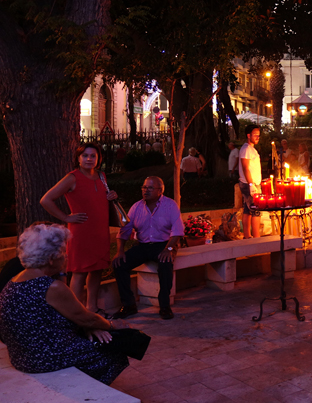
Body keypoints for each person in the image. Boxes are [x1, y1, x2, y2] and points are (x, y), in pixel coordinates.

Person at [0, 223, 131, 384]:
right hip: (44, 359)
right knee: (116, 344)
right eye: (63, 252)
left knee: (96, 334)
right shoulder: (51, 287)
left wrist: (88, 325)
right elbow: (87, 318)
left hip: (21, 356)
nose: (66, 256)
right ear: (50, 259)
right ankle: (86, 391)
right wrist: (112, 324)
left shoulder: (16, 279)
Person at [40, 143, 118, 316]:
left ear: (99, 159)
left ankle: (92, 308)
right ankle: (75, 313)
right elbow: (46, 200)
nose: (89, 159)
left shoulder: (101, 176)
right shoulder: (72, 177)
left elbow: (99, 200)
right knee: (79, 272)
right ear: (78, 158)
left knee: (97, 269)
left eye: (93, 156)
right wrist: (66, 217)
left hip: (99, 231)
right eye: (85, 156)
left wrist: (111, 196)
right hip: (81, 232)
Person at [112, 176, 183, 320]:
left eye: (150, 188)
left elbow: (178, 231)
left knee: (165, 263)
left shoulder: (170, 205)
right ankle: (129, 305)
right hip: (143, 245)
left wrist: (168, 249)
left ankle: (164, 305)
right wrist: (120, 251)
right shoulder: (136, 207)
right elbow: (124, 231)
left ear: (160, 190)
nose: (146, 190)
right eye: (144, 187)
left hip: (164, 244)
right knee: (119, 265)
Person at [239, 125, 263, 239]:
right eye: (255, 135)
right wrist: (251, 184)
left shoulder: (250, 149)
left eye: (259, 135)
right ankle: (256, 238)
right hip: (249, 184)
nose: (258, 137)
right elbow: (245, 168)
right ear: (248, 135)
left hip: (251, 183)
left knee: (247, 209)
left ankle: (247, 236)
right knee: (256, 210)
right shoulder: (246, 149)